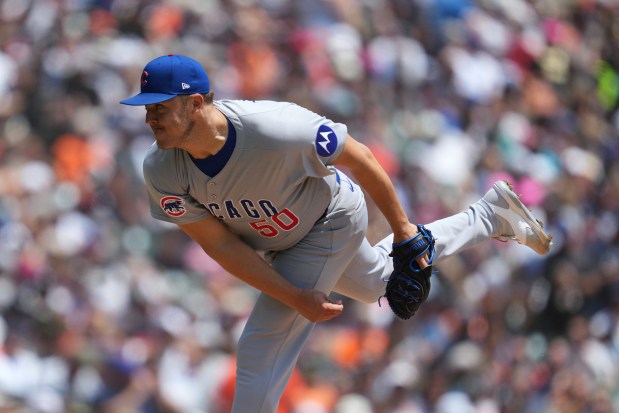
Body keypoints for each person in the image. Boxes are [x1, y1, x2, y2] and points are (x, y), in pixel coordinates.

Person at [120, 54, 552, 413]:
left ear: (195, 103)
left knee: (259, 345)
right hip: (283, 243)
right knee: (380, 282)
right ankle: (490, 215)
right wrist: (293, 294)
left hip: (331, 216)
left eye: (159, 106)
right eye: (147, 108)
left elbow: (360, 157)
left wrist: (403, 230)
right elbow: (218, 244)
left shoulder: (274, 127)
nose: (149, 118)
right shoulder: (162, 169)